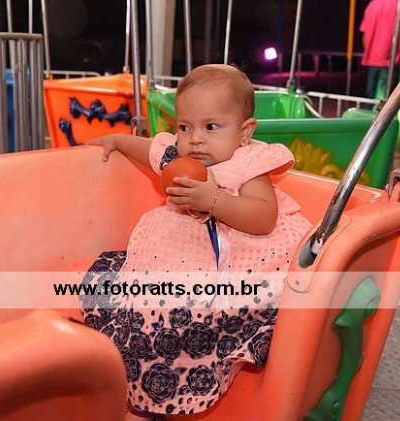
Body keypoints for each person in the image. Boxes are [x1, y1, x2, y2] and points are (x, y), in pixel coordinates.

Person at [79, 64, 311, 420]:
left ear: (245, 132)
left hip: (236, 261)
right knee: (136, 297)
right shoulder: (178, 155)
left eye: (211, 127)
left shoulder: (247, 163)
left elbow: (264, 217)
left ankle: (157, 392)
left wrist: (214, 200)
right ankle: (129, 373)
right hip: (179, 255)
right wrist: (117, 141)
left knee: (185, 315)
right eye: (185, 127)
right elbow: (148, 149)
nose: (195, 139)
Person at [360, 0, 400, 102]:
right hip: (390, 61)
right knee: (386, 100)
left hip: (372, 59)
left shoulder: (372, 5)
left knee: (370, 97)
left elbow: (364, 35)